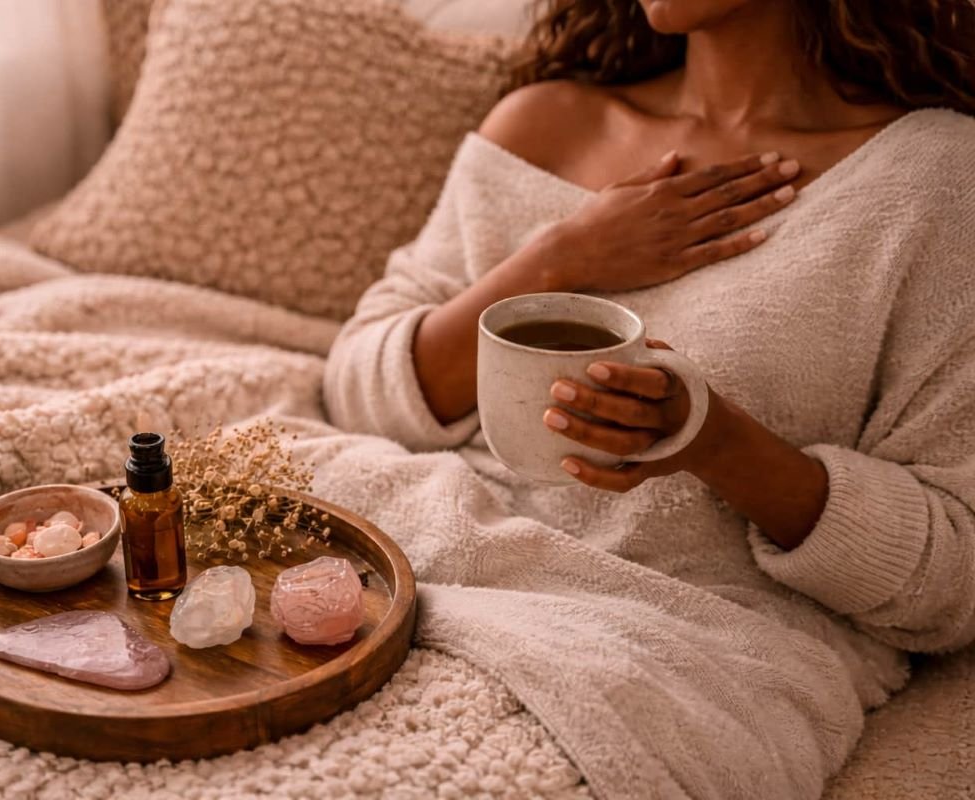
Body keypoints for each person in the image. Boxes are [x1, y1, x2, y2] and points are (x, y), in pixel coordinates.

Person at [325, 0, 975, 654]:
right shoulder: (548, 123)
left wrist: (711, 440)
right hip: (397, 568)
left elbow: (953, 581)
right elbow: (355, 392)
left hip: (656, 642)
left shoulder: (934, 182)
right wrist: (564, 257)